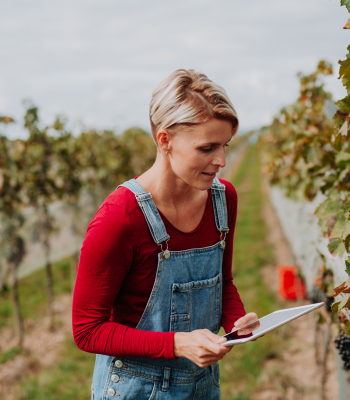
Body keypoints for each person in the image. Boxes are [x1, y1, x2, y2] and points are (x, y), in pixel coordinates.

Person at [72, 69, 258, 400]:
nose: (222, 161)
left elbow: (222, 282)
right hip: (134, 389)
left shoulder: (223, 199)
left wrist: (236, 320)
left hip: (202, 385)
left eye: (225, 145)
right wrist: (176, 344)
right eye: (207, 148)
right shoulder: (120, 219)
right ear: (165, 140)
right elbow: (87, 331)